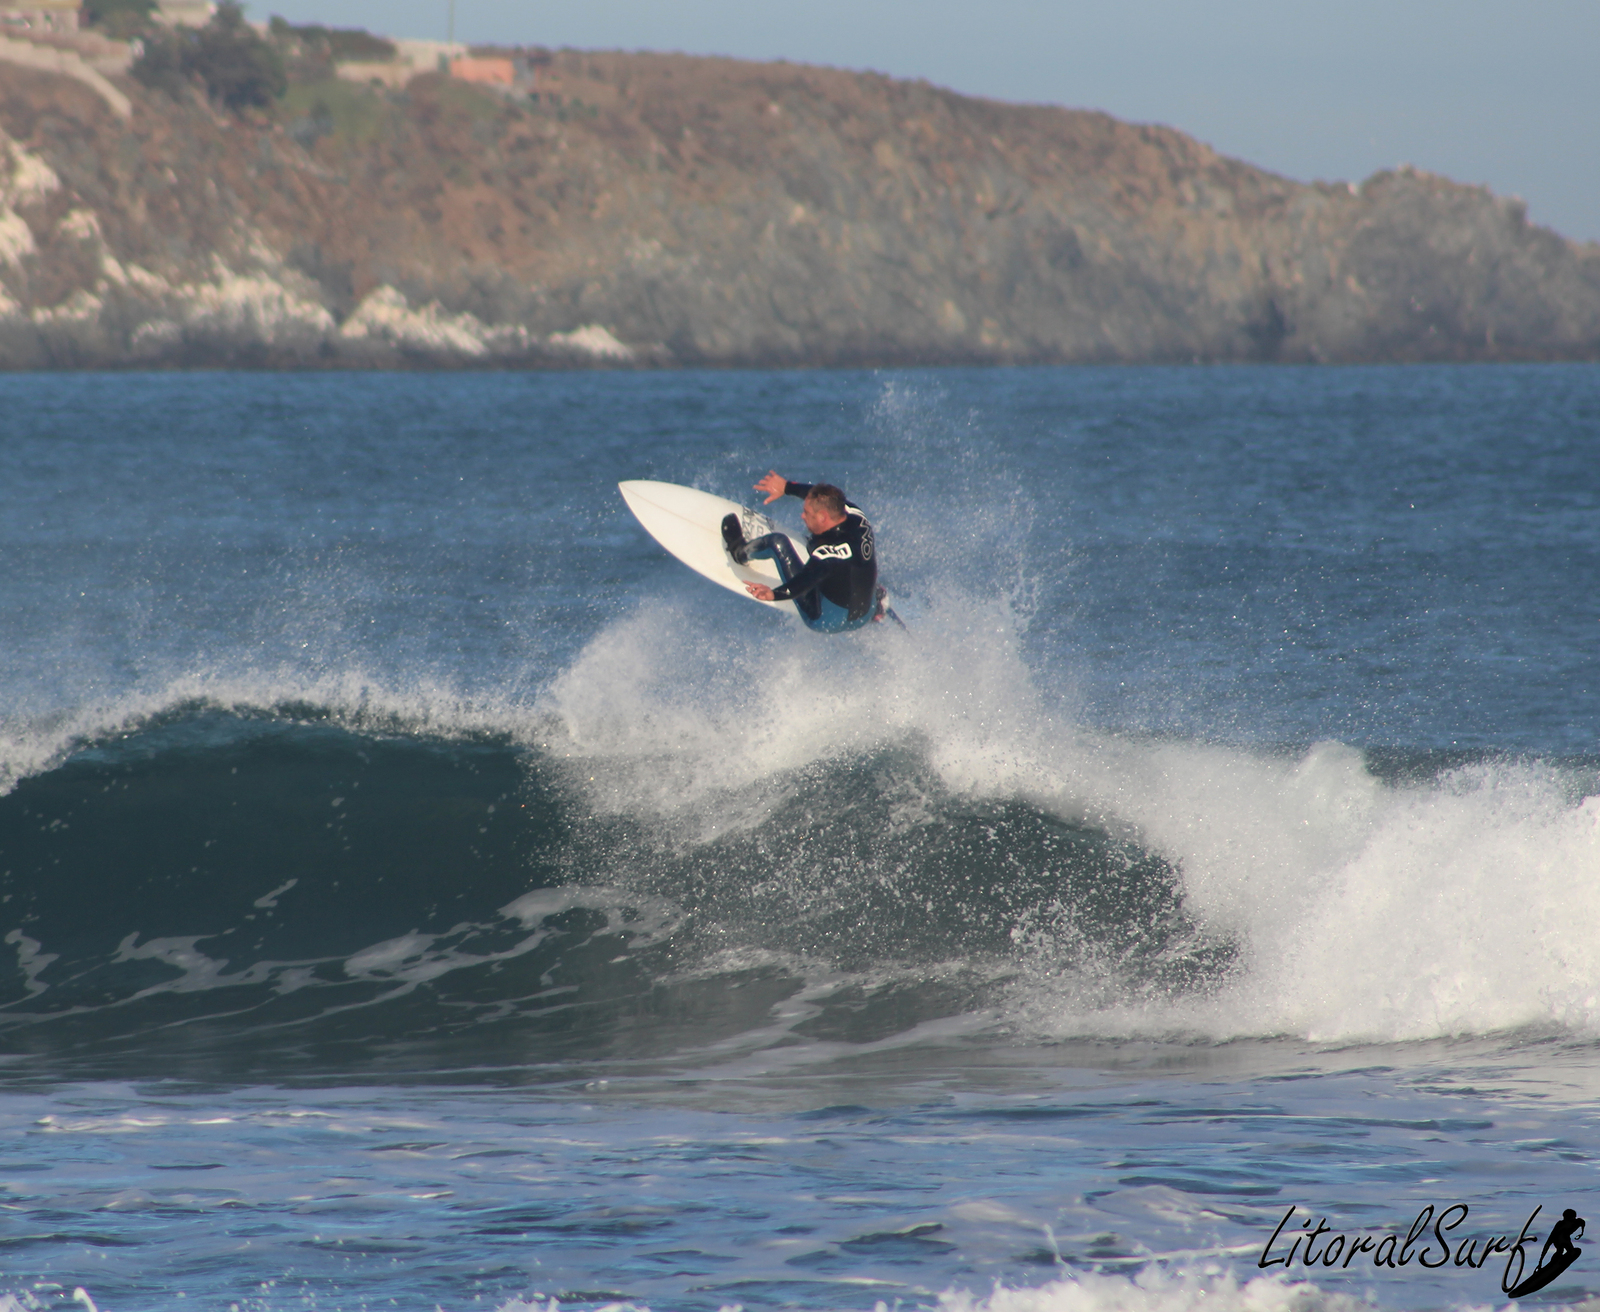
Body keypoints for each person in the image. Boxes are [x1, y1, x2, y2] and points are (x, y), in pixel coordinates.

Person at [721, 471, 883, 633]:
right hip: (866, 612)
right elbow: (822, 499)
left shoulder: (827, 554)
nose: (802, 516)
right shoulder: (857, 516)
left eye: (807, 513)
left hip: (828, 620)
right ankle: (879, 605)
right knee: (851, 561)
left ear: (822, 517)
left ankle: (739, 552)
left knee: (776, 542)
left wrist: (774, 594)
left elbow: (805, 580)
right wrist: (786, 487)